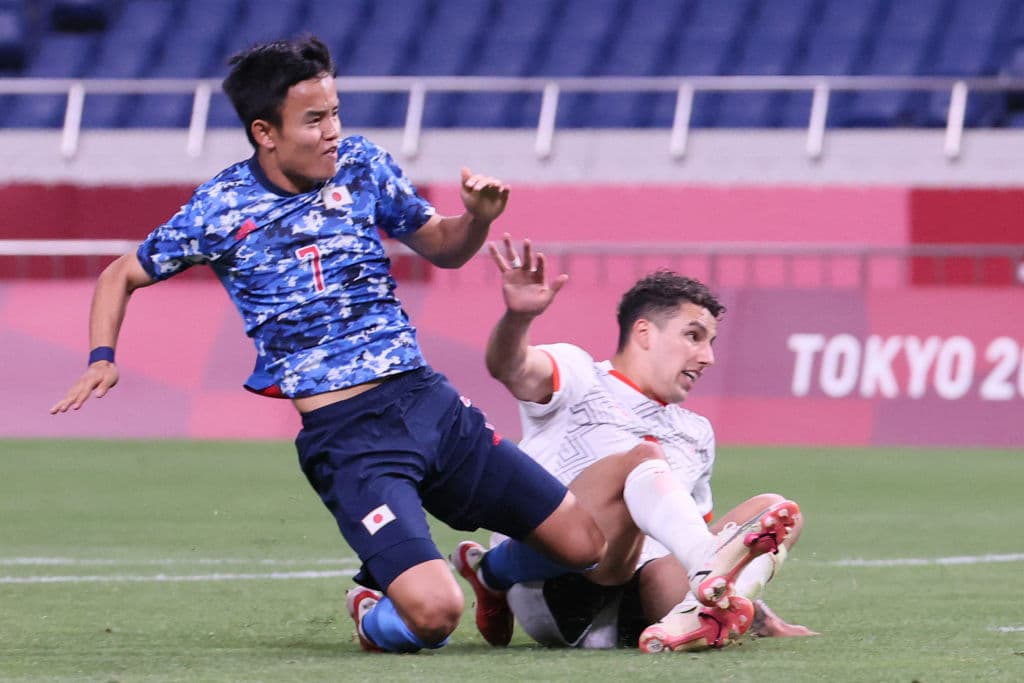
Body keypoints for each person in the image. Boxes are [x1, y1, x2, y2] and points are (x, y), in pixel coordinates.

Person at [49, 37, 605, 654]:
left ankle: (489, 573)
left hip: (429, 403)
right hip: (348, 437)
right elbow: (119, 274)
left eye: (335, 112)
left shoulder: (363, 165)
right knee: (435, 616)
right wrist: (102, 358)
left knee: (587, 546)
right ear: (266, 132)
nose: (333, 131)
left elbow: (443, 247)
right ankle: (372, 608)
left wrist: (476, 218)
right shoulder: (223, 206)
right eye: (314, 120)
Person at [451, 235, 815, 653]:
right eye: (693, 336)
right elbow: (509, 365)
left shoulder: (696, 432)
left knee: (777, 511)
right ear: (644, 332)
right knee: (642, 458)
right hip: (558, 589)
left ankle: (698, 618)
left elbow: (689, 536)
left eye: (711, 342)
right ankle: (703, 576)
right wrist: (517, 319)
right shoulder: (581, 375)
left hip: (638, 601)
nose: (708, 357)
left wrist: (760, 612)